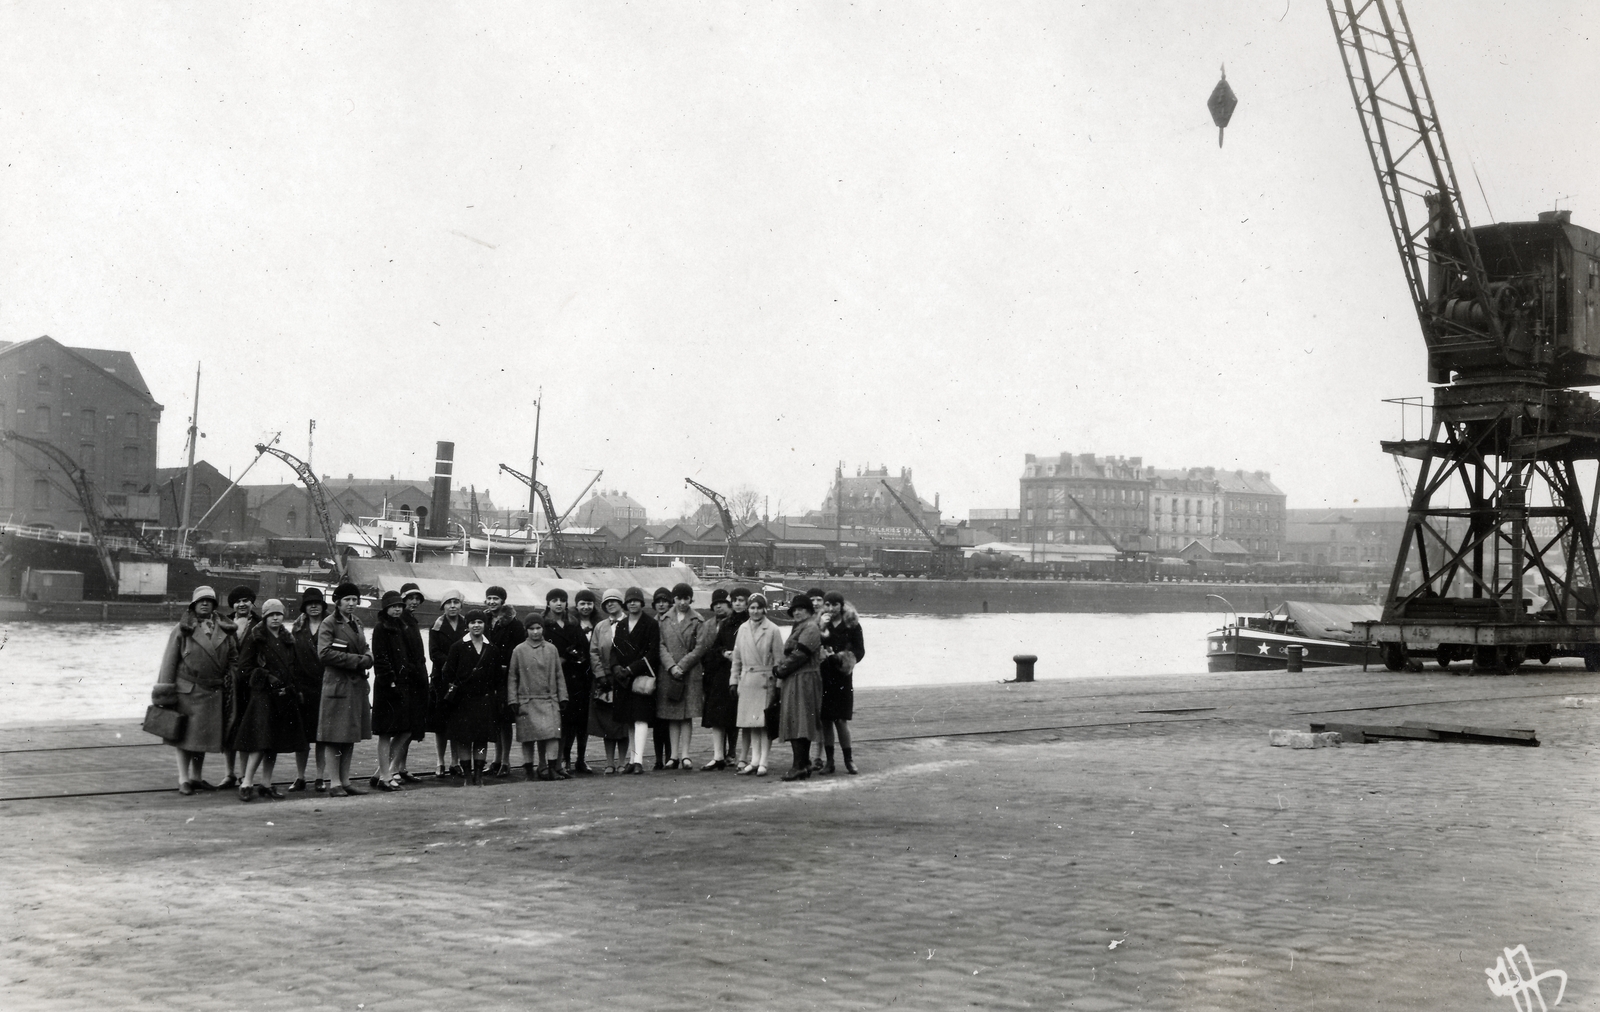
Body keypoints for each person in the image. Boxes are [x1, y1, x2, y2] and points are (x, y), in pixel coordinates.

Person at [152, 585, 239, 794]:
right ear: (193, 605)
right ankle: (184, 779)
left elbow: (234, 658)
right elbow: (169, 662)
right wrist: (166, 692)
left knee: (202, 737)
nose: (205, 604)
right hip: (187, 691)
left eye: (209, 601)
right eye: (201, 601)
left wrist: (231, 678)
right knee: (184, 736)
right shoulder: (182, 629)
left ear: (214, 605)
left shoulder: (226, 630)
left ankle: (196, 777)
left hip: (213, 692)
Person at [231, 599, 304, 802]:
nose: (275, 618)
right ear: (264, 616)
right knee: (261, 742)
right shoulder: (256, 638)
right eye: (271, 614)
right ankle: (247, 782)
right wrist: (266, 676)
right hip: (263, 696)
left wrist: (294, 690)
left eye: (278, 614)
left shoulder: (288, 638)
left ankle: (266, 783)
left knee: (275, 743)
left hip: (283, 696)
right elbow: (244, 668)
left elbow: (294, 667)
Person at [316, 582, 375, 797]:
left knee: (350, 736)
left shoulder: (357, 622)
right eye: (347, 599)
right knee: (334, 737)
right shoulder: (328, 623)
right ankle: (334, 783)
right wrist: (359, 660)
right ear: (337, 602)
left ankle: (345, 780)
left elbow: (364, 646)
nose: (352, 603)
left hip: (355, 687)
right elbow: (324, 654)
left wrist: (369, 657)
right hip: (337, 687)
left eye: (354, 599)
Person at [442, 609, 499, 785]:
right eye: (473, 622)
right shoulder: (457, 647)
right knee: (464, 740)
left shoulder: (492, 648)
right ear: (467, 625)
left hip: (483, 700)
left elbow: (496, 676)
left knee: (481, 740)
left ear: (485, 624)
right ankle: (467, 776)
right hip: (462, 702)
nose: (476, 625)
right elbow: (447, 674)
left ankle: (479, 775)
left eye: (480, 622)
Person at [657, 581, 710, 769]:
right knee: (672, 715)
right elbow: (660, 645)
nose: (682, 602)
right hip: (670, 673)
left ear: (691, 599)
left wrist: (682, 665)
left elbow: (700, 647)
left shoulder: (698, 620)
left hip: (689, 672)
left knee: (686, 716)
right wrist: (671, 666)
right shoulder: (663, 619)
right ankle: (673, 756)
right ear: (674, 598)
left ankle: (686, 755)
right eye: (678, 598)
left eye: (686, 598)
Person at [729, 592, 784, 776]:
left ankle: (764, 761)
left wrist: (778, 685)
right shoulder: (743, 629)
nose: (755, 611)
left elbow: (779, 661)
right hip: (747, 680)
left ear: (764, 609)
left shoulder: (773, 630)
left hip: (765, 680)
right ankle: (753, 760)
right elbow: (736, 658)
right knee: (751, 723)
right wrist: (733, 681)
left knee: (764, 724)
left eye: (759, 607)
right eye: (752, 607)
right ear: (748, 609)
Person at [610, 586, 662, 775]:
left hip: (640, 677)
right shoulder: (621, 625)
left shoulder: (650, 624)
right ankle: (632, 760)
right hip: (623, 680)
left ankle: (638, 760)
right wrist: (616, 668)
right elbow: (614, 650)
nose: (633, 603)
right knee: (630, 719)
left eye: (636, 600)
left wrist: (632, 668)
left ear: (642, 603)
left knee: (641, 718)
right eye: (630, 600)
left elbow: (653, 653)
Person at [508, 620, 568, 781]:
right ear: (526, 630)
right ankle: (529, 771)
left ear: (543, 629)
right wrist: (513, 699)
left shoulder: (551, 649)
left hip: (549, 700)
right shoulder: (518, 650)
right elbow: (513, 677)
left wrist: (563, 697)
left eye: (538, 628)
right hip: (526, 700)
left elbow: (558, 674)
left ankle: (552, 769)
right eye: (531, 628)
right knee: (527, 738)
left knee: (552, 735)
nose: (535, 632)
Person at [542, 588, 593, 774]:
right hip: (553, 679)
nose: (558, 603)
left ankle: (578, 759)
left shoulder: (573, 624)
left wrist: (574, 656)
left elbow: (584, 650)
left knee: (577, 722)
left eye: (562, 600)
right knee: (559, 722)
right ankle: (561, 760)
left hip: (576, 679)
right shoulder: (543, 625)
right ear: (548, 603)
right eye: (554, 600)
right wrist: (561, 659)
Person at [774, 596, 824, 781]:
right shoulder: (803, 626)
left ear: (809, 611)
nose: (796, 612)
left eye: (801, 609)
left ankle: (799, 765)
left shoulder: (810, 627)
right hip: (797, 678)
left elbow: (800, 655)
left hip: (803, 679)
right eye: (794, 609)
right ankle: (802, 764)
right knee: (799, 721)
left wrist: (780, 670)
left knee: (799, 721)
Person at [369, 590, 412, 792]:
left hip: (401, 684)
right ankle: (385, 776)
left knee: (405, 729)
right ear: (386, 608)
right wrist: (391, 682)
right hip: (387, 686)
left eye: (399, 606)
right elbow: (380, 659)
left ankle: (381, 772)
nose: (397, 609)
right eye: (393, 606)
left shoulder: (401, 627)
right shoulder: (380, 628)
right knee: (385, 733)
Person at [818, 591, 865, 774]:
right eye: (827, 605)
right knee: (826, 720)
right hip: (823, 674)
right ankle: (829, 762)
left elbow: (860, 651)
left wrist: (841, 658)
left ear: (841, 605)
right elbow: (815, 644)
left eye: (834, 605)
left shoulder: (852, 624)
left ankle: (849, 760)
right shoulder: (822, 622)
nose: (831, 609)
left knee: (841, 720)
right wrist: (821, 628)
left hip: (842, 676)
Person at [218, 584, 259, 789]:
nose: (242, 604)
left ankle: (244, 775)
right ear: (232, 604)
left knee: (246, 729)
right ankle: (229, 774)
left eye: (246, 600)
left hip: (251, 685)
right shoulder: (223, 623)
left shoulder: (260, 624)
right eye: (238, 601)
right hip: (229, 684)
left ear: (252, 602)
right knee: (228, 728)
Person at [586, 589, 630, 773]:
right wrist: (600, 674)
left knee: (624, 723)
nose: (610, 605)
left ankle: (622, 761)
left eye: (614, 601)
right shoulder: (600, 626)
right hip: (605, 679)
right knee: (607, 721)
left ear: (621, 603)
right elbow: (594, 651)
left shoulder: (630, 623)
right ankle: (609, 762)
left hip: (625, 678)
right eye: (607, 603)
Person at [288, 587, 327, 790]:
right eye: (309, 603)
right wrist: (296, 688)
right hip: (303, 689)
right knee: (302, 737)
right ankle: (300, 776)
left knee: (322, 736)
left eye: (317, 603)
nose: (313, 606)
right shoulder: (296, 629)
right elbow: (291, 661)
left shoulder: (330, 627)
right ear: (304, 607)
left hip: (325, 688)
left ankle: (320, 777)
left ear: (322, 605)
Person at [483, 586, 525, 777]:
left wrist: (505, 667)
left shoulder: (514, 624)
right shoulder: (484, 620)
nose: (492, 602)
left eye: (496, 599)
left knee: (505, 720)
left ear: (503, 601)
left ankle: (506, 760)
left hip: (505, 676)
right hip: (488, 676)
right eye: (489, 598)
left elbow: (517, 651)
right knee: (494, 719)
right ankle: (496, 759)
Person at [427, 588, 468, 777]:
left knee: (458, 722)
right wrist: (452, 662)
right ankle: (440, 762)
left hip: (462, 678)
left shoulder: (467, 625)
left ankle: (455, 762)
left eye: (456, 602)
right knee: (441, 724)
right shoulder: (436, 627)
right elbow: (434, 653)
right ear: (443, 606)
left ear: (461, 605)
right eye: (448, 603)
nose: (452, 606)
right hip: (442, 679)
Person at [699, 588, 741, 770]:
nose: (718, 607)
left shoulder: (737, 623)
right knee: (717, 715)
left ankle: (731, 752)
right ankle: (719, 755)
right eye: (715, 604)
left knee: (733, 716)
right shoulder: (707, 625)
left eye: (722, 603)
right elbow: (704, 648)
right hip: (714, 673)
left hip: (734, 673)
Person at [395, 582, 431, 782]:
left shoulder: (412, 621)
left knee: (409, 727)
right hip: (406, 679)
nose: (414, 602)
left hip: (417, 678)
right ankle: (392, 768)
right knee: (402, 727)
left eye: (417, 599)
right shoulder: (400, 621)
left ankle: (401, 767)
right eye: (410, 598)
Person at [648, 586, 674, 768]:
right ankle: (658, 758)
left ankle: (671, 757)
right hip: (655, 674)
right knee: (658, 721)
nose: (661, 604)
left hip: (671, 673)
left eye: (665, 600)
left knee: (670, 718)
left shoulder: (674, 622)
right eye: (658, 601)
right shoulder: (651, 623)